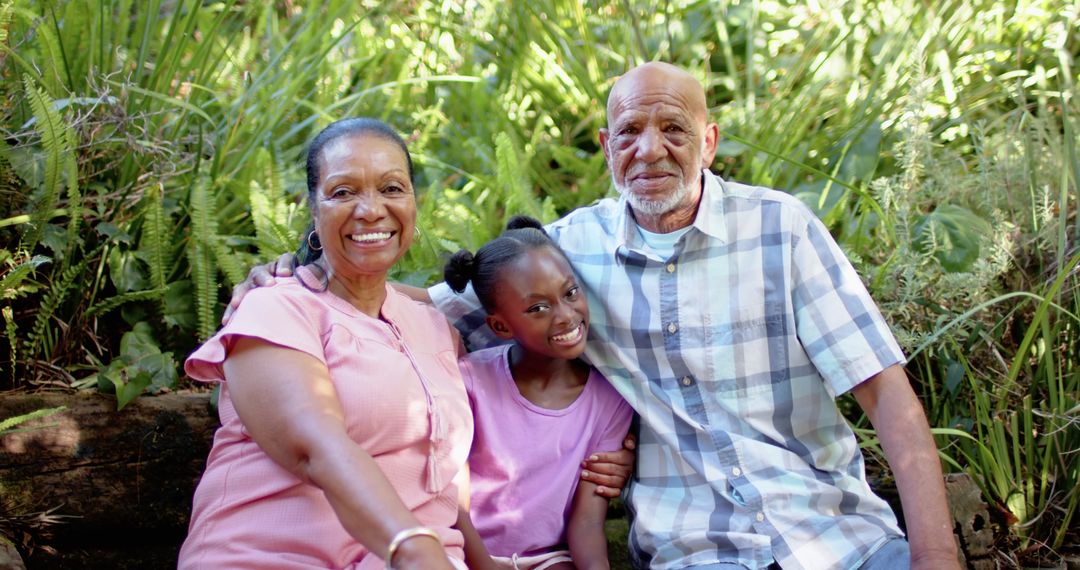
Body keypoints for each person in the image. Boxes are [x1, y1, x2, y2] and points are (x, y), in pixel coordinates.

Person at [234, 63, 960, 569]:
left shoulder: (783, 230)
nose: (650, 149)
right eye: (628, 131)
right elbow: (433, 302)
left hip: (838, 539)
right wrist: (302, 283)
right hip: (696, 551)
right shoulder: (569, 252)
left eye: (673, 129)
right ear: (609, 149)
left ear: (709, 141)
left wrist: (935, 555)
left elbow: (884, 391)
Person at [180, 117, 475, 569]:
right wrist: (414, 549)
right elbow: (316, 447)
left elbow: (537, 307)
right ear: (313, 211)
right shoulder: (275, 310)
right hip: (272, 557)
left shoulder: (434, 325)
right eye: (343, 192)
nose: (371, 209)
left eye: (392, 188)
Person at [444, 216, 633, 570]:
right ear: (501, 326)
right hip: (463, 553)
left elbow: (588, 523)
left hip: (547, 560)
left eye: (570, 293)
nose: (565, 316)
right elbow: (455, 504)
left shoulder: (610, 401)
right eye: (538, 308)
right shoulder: (469, 381)